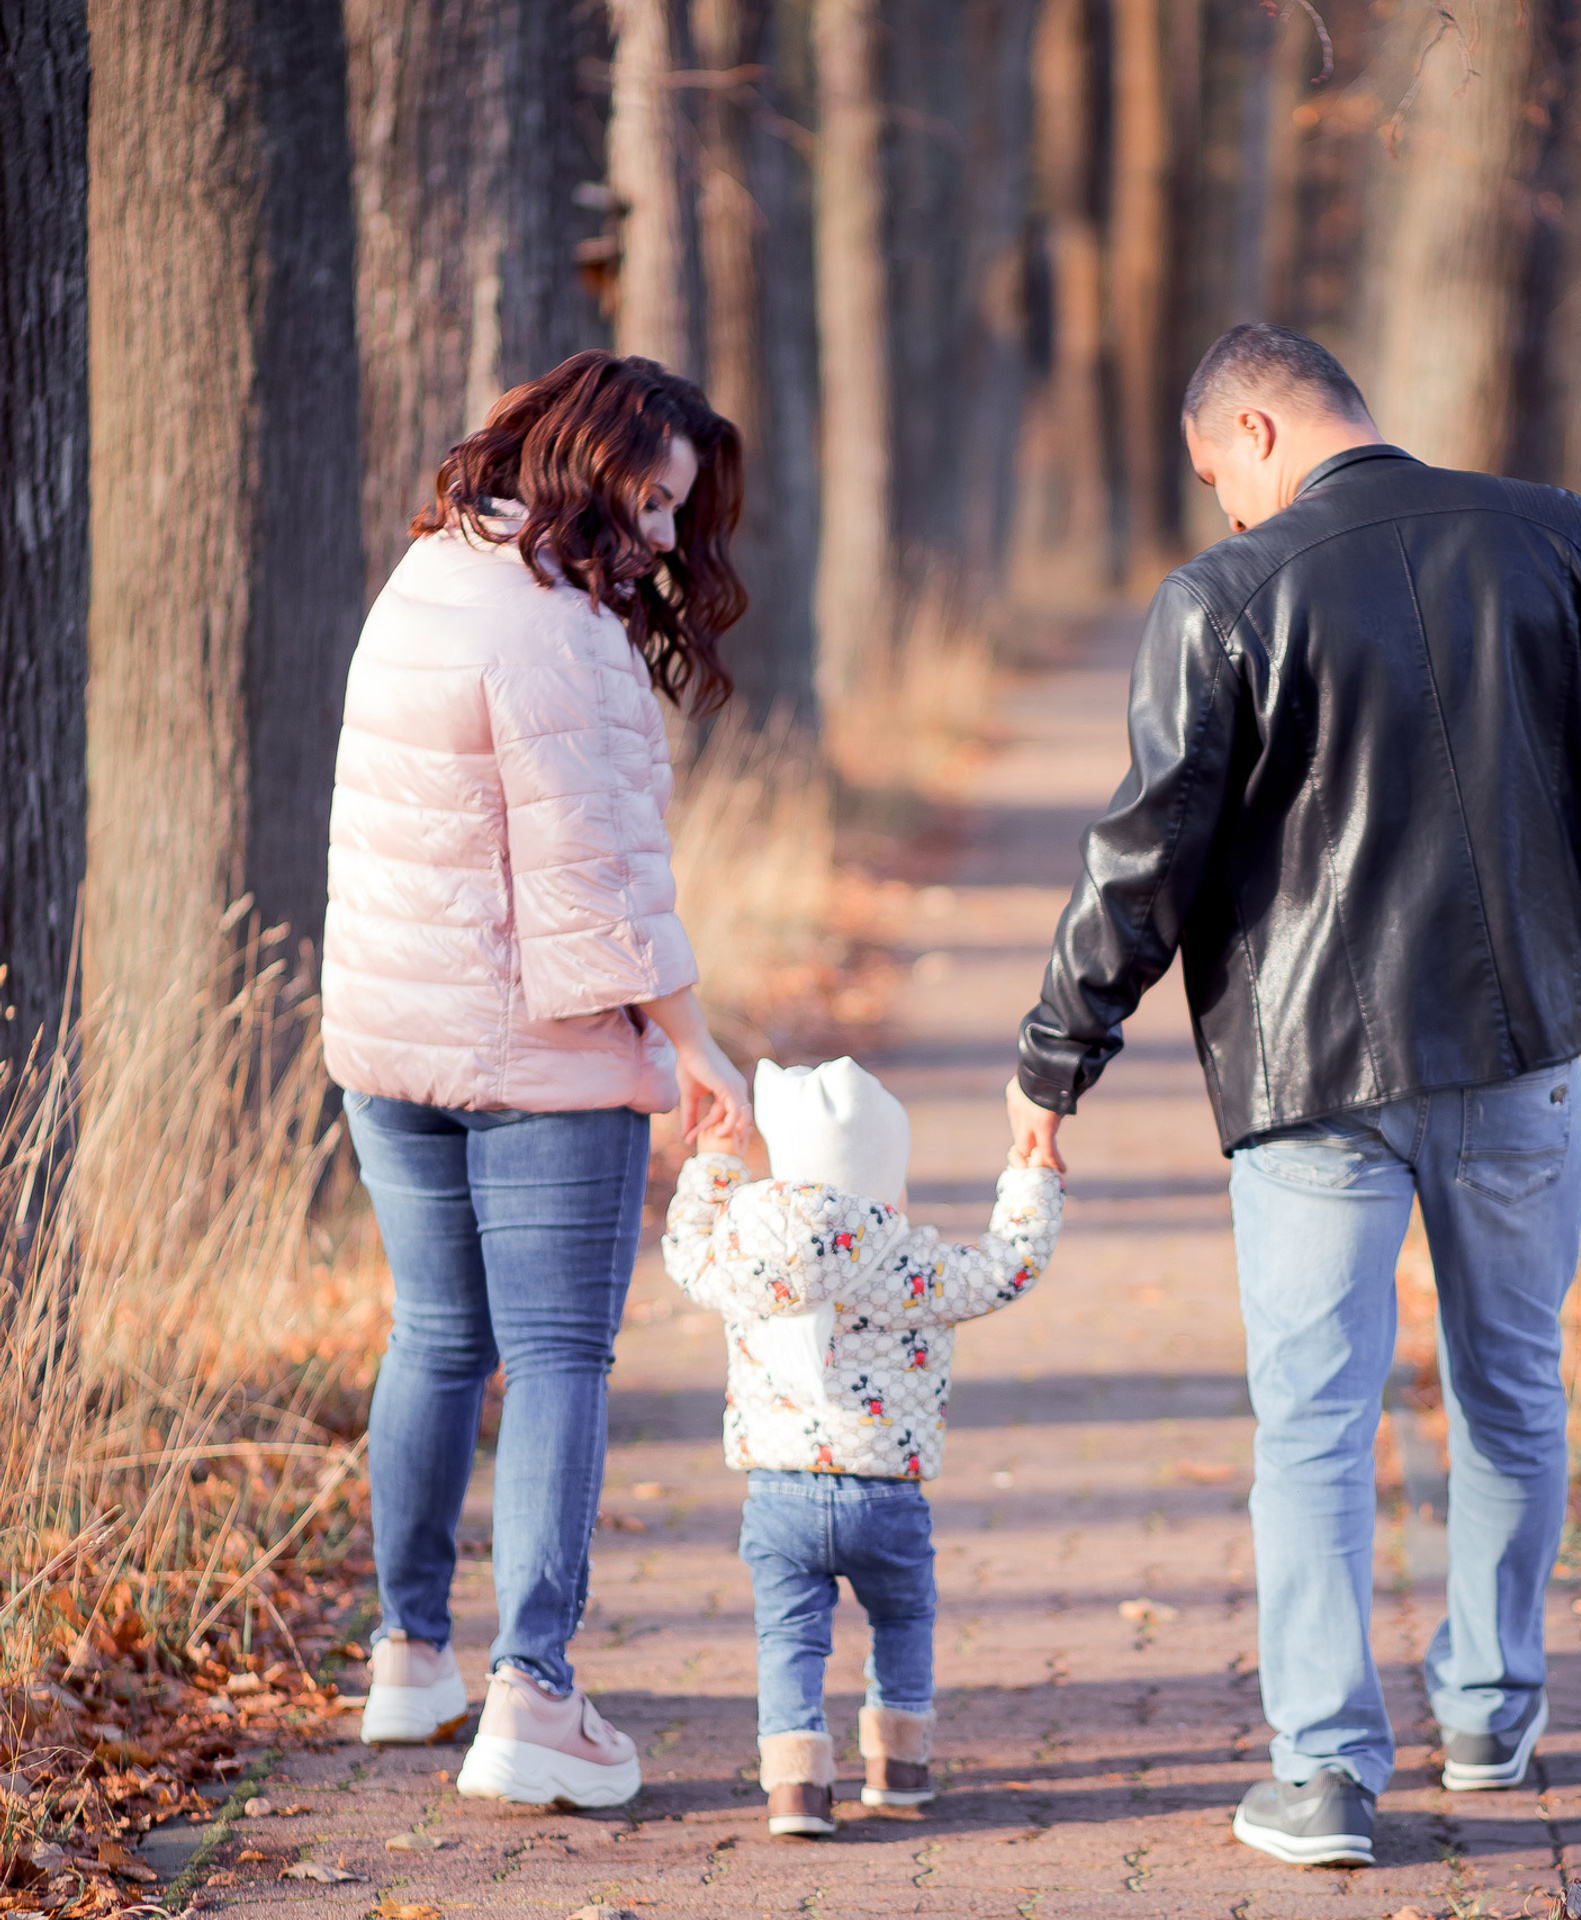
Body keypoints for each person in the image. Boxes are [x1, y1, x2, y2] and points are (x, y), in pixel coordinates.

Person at [1006, 324, 1581, 1867]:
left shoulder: (1225, 599)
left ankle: (1322, 1777)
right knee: (1510, 1389)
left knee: (1315, 1427)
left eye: (1214, 480)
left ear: (1256, 429)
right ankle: (1490, 1715)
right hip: (1523, 1055)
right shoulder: (1550, 536)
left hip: (1313, 1079)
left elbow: (1148, 852)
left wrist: (1060, 1054)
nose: (1223, 514)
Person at [322, 351, 754, 1809]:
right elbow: (604, 891)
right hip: (529, 1052)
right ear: (585, 461)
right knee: (560, 1357)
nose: (669, 534)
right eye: (655, 495)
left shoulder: (428, 579)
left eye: (681, 508)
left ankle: (408, 1659)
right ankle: (538, 1699)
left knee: (437, 1338)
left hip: (394, 1040)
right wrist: (697, 1052)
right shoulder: (556, 631)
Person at [662, 1057, 1062, 1837]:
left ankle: (795, 1790)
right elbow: (1008, 1267)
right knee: (903, 1620)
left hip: (777, 1495)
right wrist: (1031, 1178)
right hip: (887, 1492)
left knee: (788, 1637)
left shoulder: (745, 1255)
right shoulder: (913, 1264)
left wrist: (716, 1162)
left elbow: (683, 1247)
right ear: (885, 1182)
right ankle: (900, 1769)